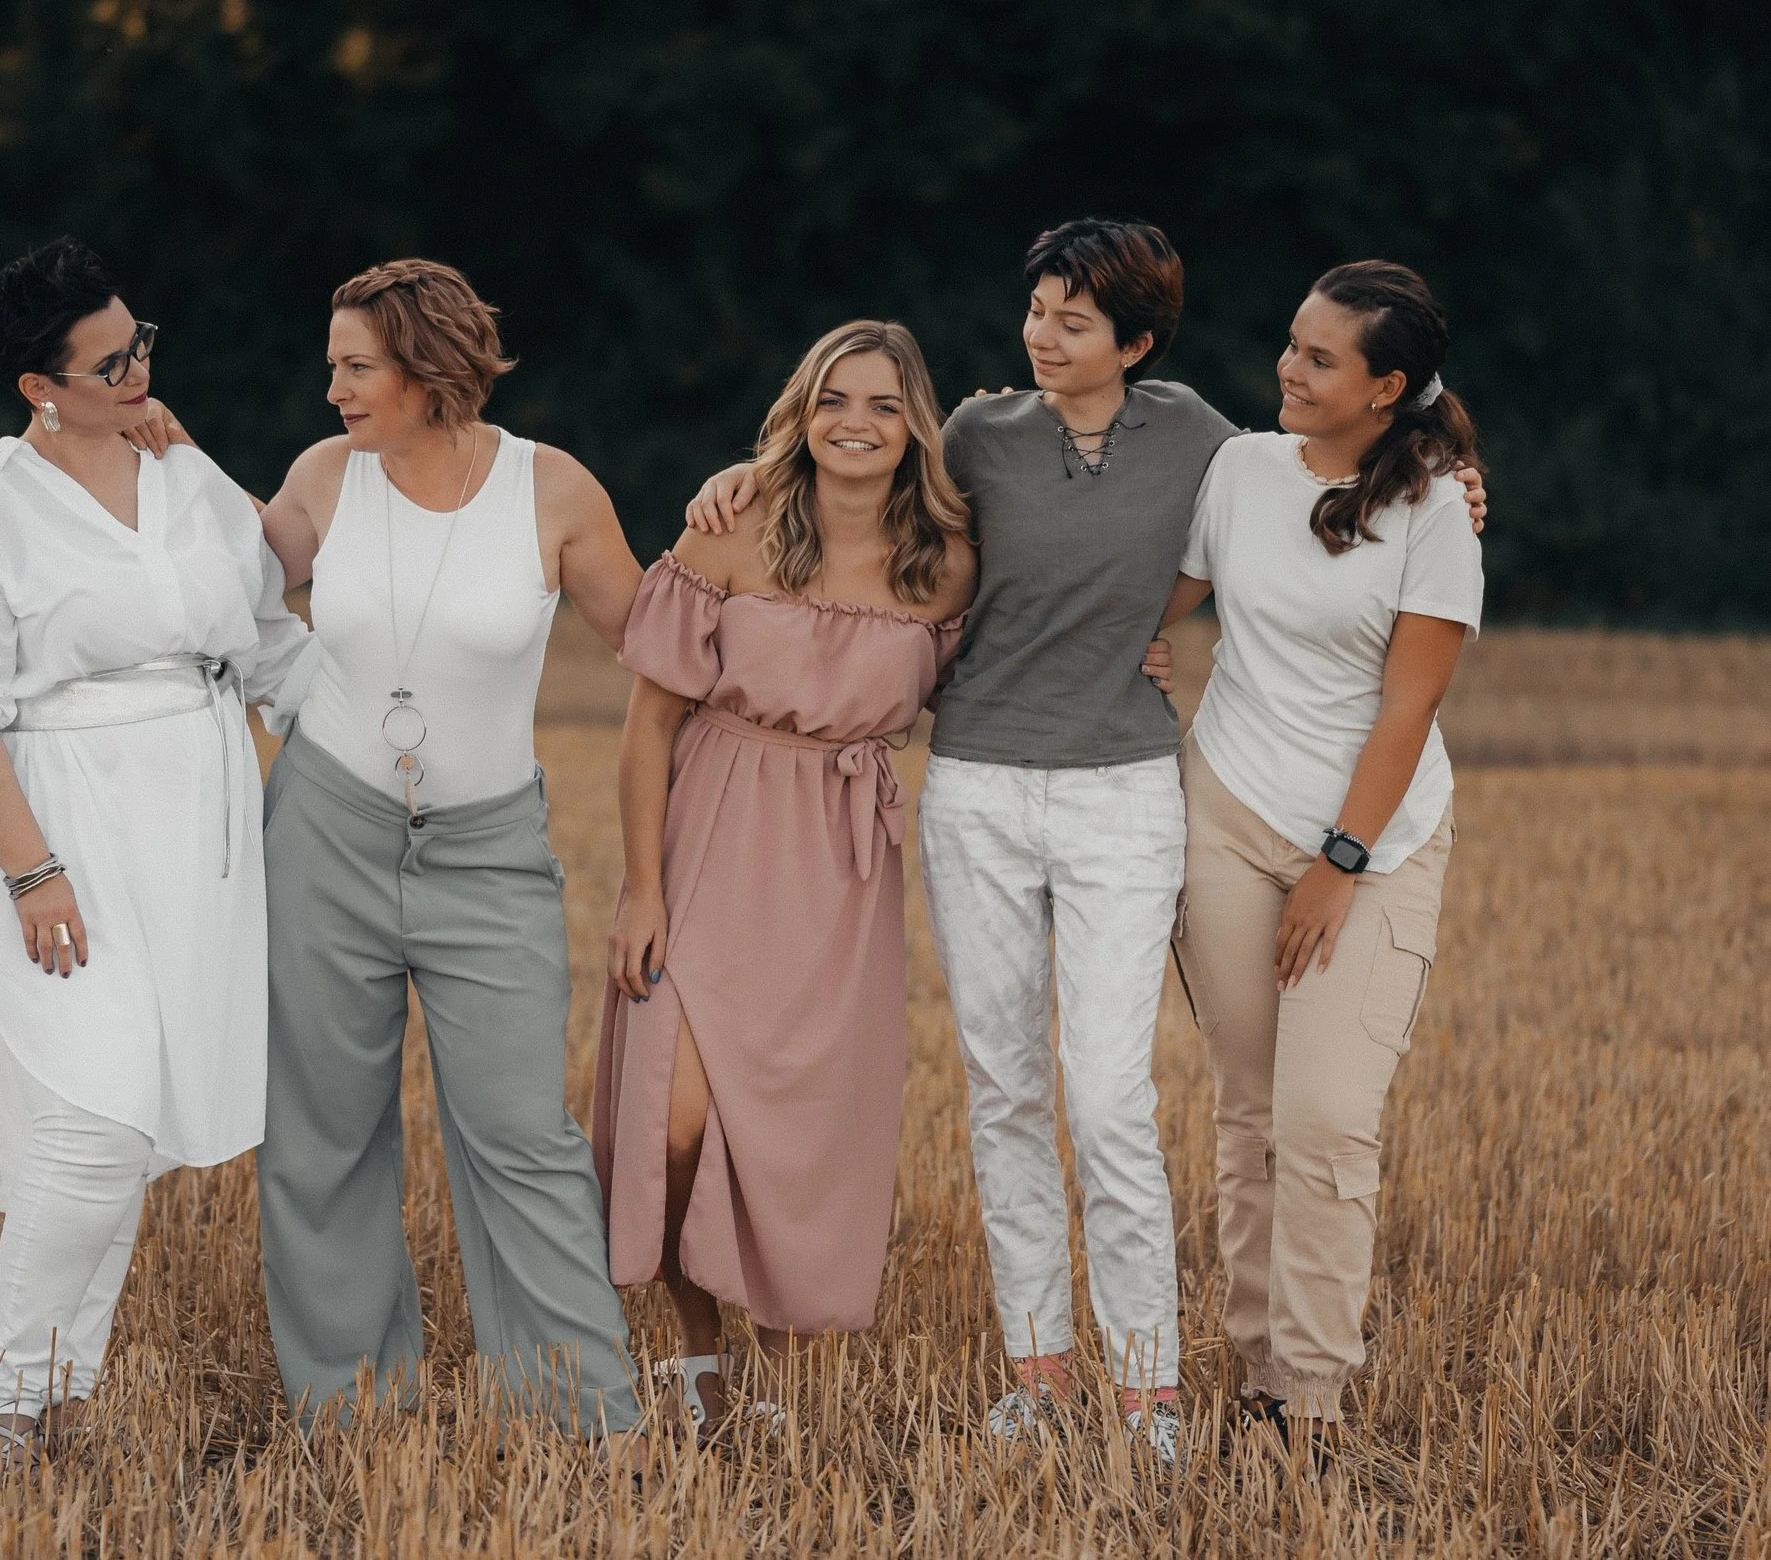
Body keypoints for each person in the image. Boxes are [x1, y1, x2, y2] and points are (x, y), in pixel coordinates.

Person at [684, 219, 1489, 1464]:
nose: (1042, 336)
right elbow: (854, 473)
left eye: (1073, 319)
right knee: (1004, 1093)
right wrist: (742, 474)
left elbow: (1350, 476)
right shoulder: (978, 436)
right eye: (1036, 312)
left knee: (1110, 1099)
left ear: (1138, 343)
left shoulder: (1204, 442)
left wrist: (1456, 480)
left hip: (1125, 795)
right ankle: (1037, 1376)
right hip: (978, 791)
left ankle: (1149, 1394)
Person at [0, 238, 317, 1470]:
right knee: (92, 1124)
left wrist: (400, 748)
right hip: (61, 837)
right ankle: (7, 1408)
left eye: (141, 344)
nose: (139, 371)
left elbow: (270, 635)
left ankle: (64, 1398)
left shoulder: (185, 475)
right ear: (40, 386)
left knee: (128, 1130)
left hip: (196, 843)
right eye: (110, 362)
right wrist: (32, 873)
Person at [255, 259, 648, 1438]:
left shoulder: (550, 489)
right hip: (324, 832)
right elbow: (208, 590)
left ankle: (580, 1416)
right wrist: (146, 461)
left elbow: (663, 645)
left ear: (428, 370)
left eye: (356, 367)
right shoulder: (324, 477)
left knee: (523, 1133)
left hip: (489, 856)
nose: (333, 389)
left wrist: (751, 509)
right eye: (333, 366)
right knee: (323, 1133)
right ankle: (352, 1410)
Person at [598, 321, 974, 1433]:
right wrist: (641, 889)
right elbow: (645, 726)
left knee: (800, 1130)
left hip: (841, 869)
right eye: (833, 401)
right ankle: (694, 1356)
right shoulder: (729, 529)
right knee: (672, 1122)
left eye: (883, 405)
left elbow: (1029, 657)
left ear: (915, 427)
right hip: (713, 834)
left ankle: (783, 1378)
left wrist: (1142, 647)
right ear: (800, 415)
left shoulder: (951, 564)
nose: (856, 424)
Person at [1159, 261, 1481, 1465]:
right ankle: (1260, 1387)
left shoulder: (1436, 510)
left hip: (1373, 842)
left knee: (1327, 1121)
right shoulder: (1240, 470)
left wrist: (1340, 860)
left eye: (1319, 357)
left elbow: (1408, 706)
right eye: (1290, 344)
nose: (1287, 369)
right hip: (1226, 814)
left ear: (1385, 387)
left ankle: (1313, 1399)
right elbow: (1157, 598)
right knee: (1248, 1115)